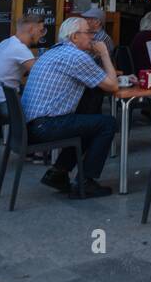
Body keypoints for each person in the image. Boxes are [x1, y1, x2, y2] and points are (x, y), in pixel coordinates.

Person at [21, 16, 119, 198]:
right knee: (107, 124)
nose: (93, 36)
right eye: (89, 32)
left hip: (28, 126)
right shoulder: (76, 56)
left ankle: (58, 173)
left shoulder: (54, 51)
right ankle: (86, 181)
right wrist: (105, 54)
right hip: (44, 126)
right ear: (75, 37)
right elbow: (113, 86)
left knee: (90, 119)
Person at [0, 15, 45, 104]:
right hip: (7, 103)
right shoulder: (19, 48)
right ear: (31, 29)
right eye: (41, 31)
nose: (42, 35)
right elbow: (41, 73)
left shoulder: (6, 42)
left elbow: (14, 70)